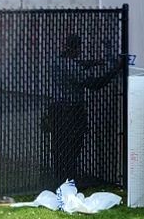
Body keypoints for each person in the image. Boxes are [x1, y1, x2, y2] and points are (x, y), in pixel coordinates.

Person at [47, 33, 123, 184]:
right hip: (71, 112)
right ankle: (68, 179)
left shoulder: (56, 60)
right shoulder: (72, 67)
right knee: (73, 146)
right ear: (76, 49)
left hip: (56, 110)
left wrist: (94, 63)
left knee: (59, 146)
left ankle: (60, 178)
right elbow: (94, 84)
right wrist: (115, 69)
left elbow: (76, 63)